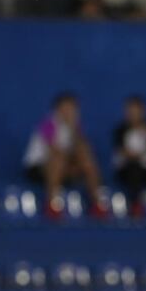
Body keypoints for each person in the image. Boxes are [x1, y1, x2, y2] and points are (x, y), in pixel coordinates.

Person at [23, 92, 106, 220]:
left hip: (64, 168)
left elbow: (83, 150)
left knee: (87, 159)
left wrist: (73, 130)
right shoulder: (49, 124)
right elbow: (54, 152)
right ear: (57, 109)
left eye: (72, 109)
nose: (68, 112)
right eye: (65, 108)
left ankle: (98, 203)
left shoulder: (75, 127)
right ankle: (52, 204)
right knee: (59, 160)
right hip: (38, 168)